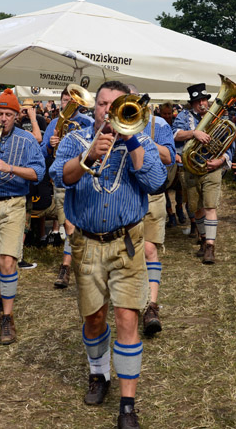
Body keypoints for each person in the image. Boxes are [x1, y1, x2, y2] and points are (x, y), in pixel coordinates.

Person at [51, 80, 166, 429]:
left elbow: (155, 181)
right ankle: (98, 374)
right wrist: (89, 156)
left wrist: (131, 138)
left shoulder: (142, 140)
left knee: (128, 318)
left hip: (126, 244)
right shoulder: (75, 139)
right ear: (94, 106)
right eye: (103, 104)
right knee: (95, 318)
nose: (109, 110)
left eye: (117, 105)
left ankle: (128, 404)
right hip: (86, 243)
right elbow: (59, 176)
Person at [0, 90, 45, 345]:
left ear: (17, 115)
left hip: (13, 204)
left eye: (8, 114)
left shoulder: (27, 140)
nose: (3, 118)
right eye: (0, 113)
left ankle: (8, 317)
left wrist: (8, 167)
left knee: (7, 261)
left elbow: (38, 173)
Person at [174, 83, 233, 262]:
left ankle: (210, 246)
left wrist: (221, 160)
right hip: (190, 169)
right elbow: (175, 135)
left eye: (204, 100)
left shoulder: (218, 117)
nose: (202, 104)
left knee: (210, 206)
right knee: (195, 208)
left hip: (211, 168)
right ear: (192, 104)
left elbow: (230, 142)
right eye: (197, 101)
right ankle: (202, 237)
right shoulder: (184, 116)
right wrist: (194, 133)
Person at [41, 87, 94, 289]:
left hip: (84, 180)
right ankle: (67, 266)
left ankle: (81, 262)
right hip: (63, 179)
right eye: (65, 99)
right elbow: (43, 153)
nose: (67, 103)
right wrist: (50, 144)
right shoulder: (54, 123)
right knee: (68, 224)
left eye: (72, 100)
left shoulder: (88, 123)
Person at [139, 97, 176, 337]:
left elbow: (169, 157)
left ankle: (151, 307)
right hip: (127, 195)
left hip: (152, 195)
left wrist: (146, 141)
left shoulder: (159, 124)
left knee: (150, 249)